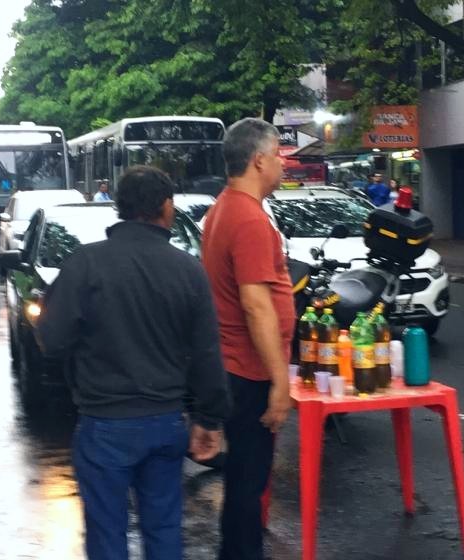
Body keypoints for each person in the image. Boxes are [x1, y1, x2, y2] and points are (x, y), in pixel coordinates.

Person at [37, 165, 231, 560]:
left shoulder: (85, 264)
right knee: (162, 530)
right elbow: (208, 353)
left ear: (121, 208)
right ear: (164, 207)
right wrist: (209, 419)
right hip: (165, 423)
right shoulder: (188, 271)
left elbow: (51, 340)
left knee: (107, 533)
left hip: (104, 424)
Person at [202, 118, 294, 560]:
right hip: (249, 371)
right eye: (278, 156)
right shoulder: (248, 220)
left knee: (242, 478)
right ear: (259, 160)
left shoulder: (222, 209)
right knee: (247, 484)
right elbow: (256, 306)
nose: (282, 165)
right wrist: (279, 381)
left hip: (231, 365)